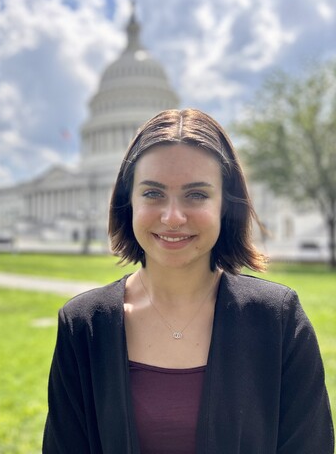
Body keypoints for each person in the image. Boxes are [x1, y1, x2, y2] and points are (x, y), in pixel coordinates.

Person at [42, 108, 334, 453]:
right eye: (153, 193)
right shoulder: (84, 325)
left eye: (196, 194)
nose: (173, 217)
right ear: (128, 202)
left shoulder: (278, 319)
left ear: (226, 205)